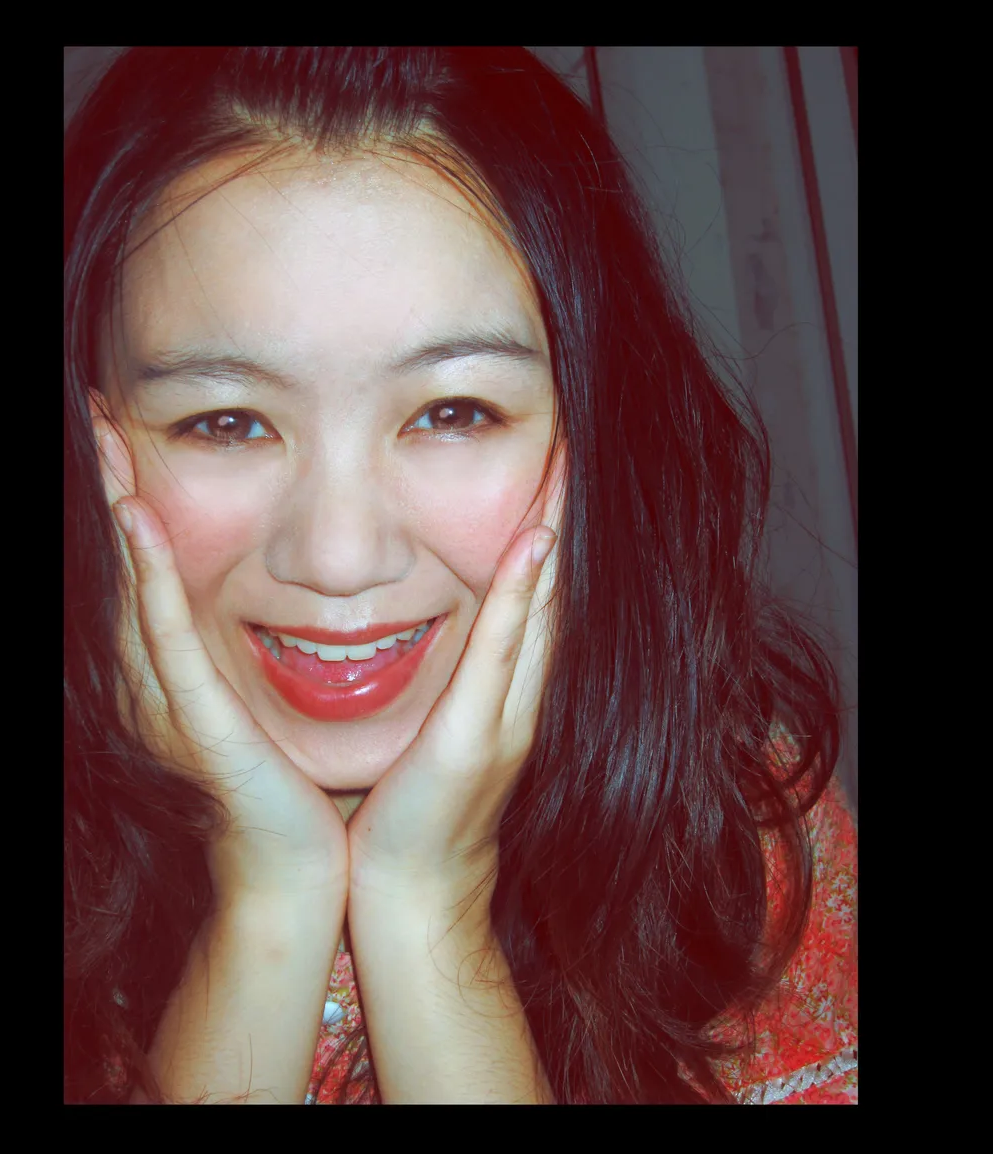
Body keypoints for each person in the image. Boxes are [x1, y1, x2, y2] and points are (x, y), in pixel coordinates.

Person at [63, 46, 856, 1105]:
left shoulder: (728, 814)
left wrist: (430, 907)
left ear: (595, 433)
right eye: (227, 422)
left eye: (452, 412)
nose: (340, 557)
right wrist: (267, 912)